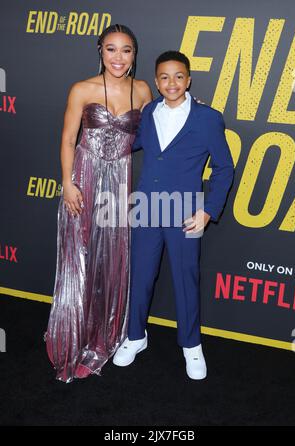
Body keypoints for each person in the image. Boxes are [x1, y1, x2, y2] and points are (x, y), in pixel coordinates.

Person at [113, 51, 234, 380]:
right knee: (140, 276)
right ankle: (135, 336)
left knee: (186, 278)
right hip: (147, 209)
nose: (172, 83)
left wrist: (208, 211)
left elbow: (224, 168)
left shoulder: (208, 118)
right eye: (164, 77)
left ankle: (191, 345)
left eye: (178, 76)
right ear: (156, 81)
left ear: (188, 79)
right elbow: (132, 144)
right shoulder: (149, 111)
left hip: (187, 213)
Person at [45, 24, 152, 383]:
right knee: (80, 260)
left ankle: (101, 338)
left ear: (134, 54)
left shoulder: (142, 90)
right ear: (100, 51)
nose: (118, 58)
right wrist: (67, 183)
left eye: (126, 50)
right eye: (111, 49)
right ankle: (72, 337)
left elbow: (156, 133)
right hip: (84, 178)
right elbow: (66, 138)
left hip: (119, 183)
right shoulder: (82, 89)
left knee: (110, 262)